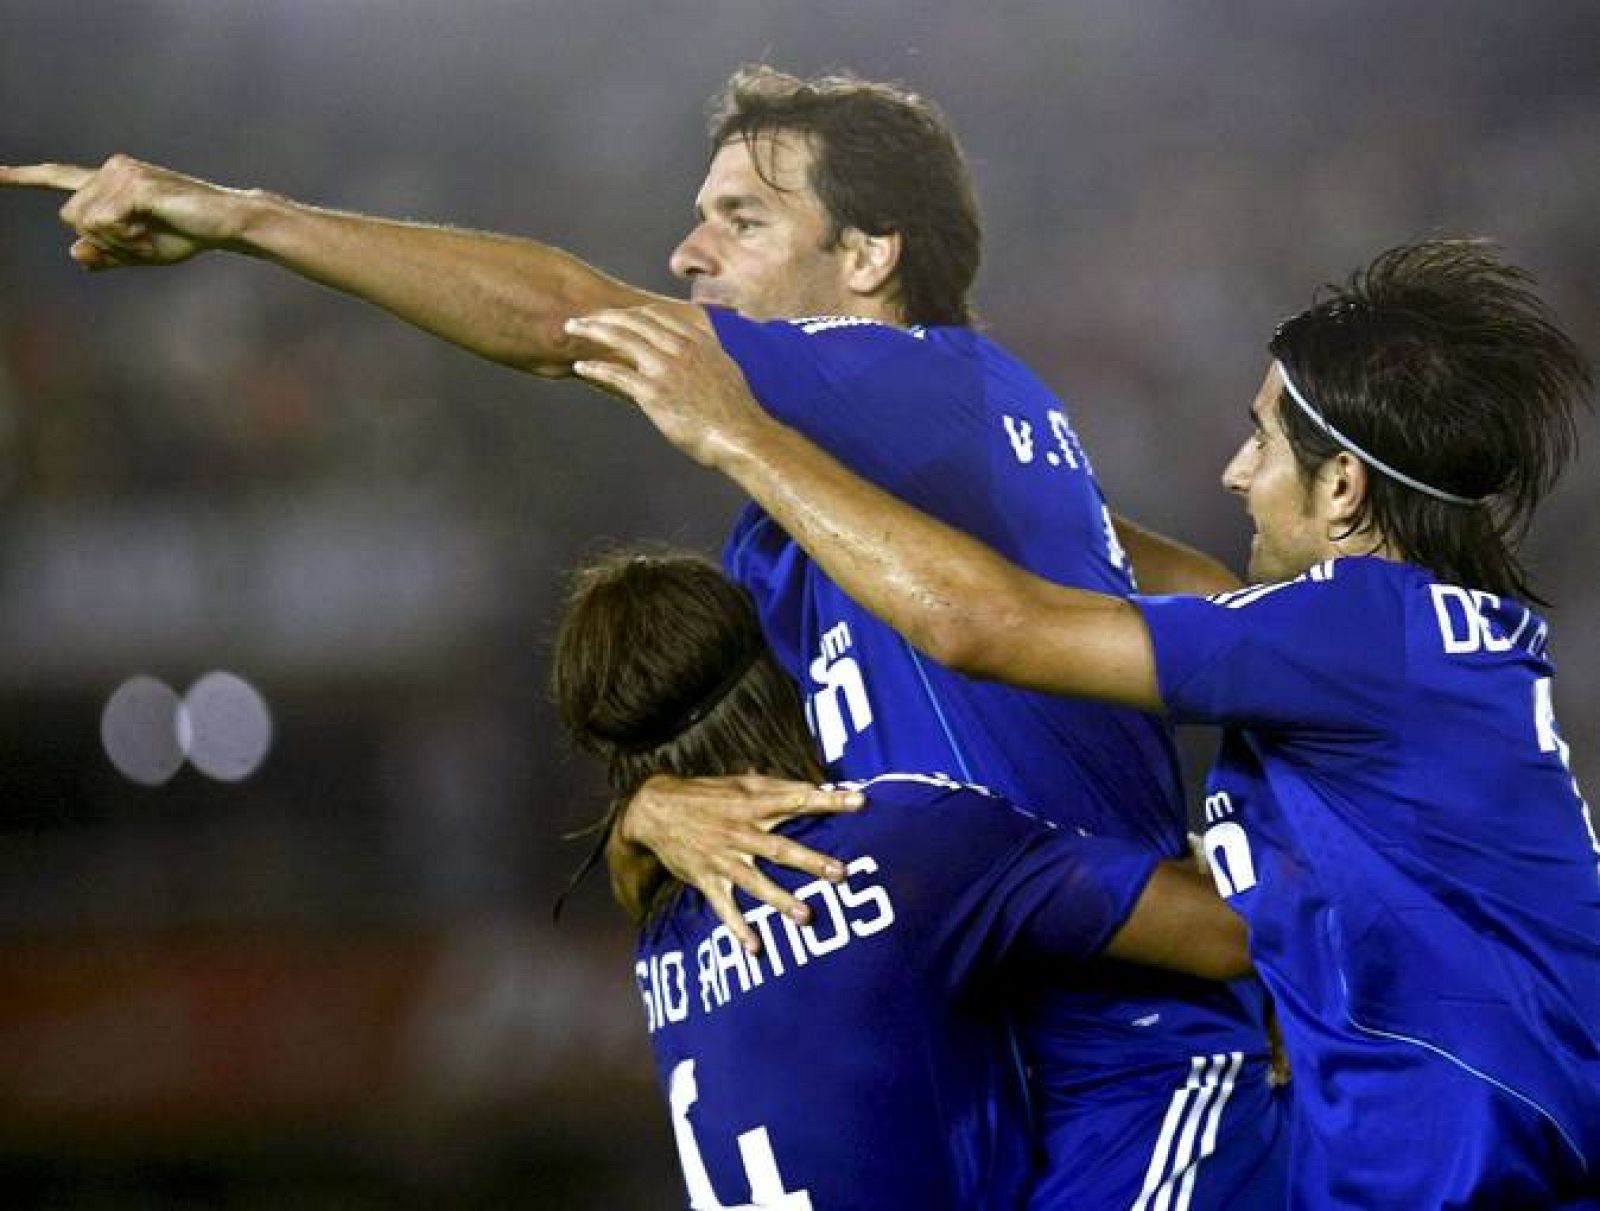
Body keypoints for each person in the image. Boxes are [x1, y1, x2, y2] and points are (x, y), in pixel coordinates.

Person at [2, 67, 1286, 1206]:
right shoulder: (848, 509)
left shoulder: (896, 370)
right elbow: (1153, 599)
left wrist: (245, 218)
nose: (686, 253)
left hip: (1137, 1058)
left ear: (868, 258)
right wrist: (648, 814)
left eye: (741, 217)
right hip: (1002, 1087)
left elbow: (570, 323)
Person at [567, 238, 1600, 1207]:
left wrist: (737, 432)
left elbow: (987, 624)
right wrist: (645, 813)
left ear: (1341, 486)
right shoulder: (1390, 653)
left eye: (1260, 440)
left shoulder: (1364, 630)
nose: (1235, 473)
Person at [552, 549, 1257, 1210]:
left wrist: (639, 814)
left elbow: (631, 876)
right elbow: (1235, 934)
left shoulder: (660, 939)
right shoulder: (903, 841)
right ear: (776, 667)